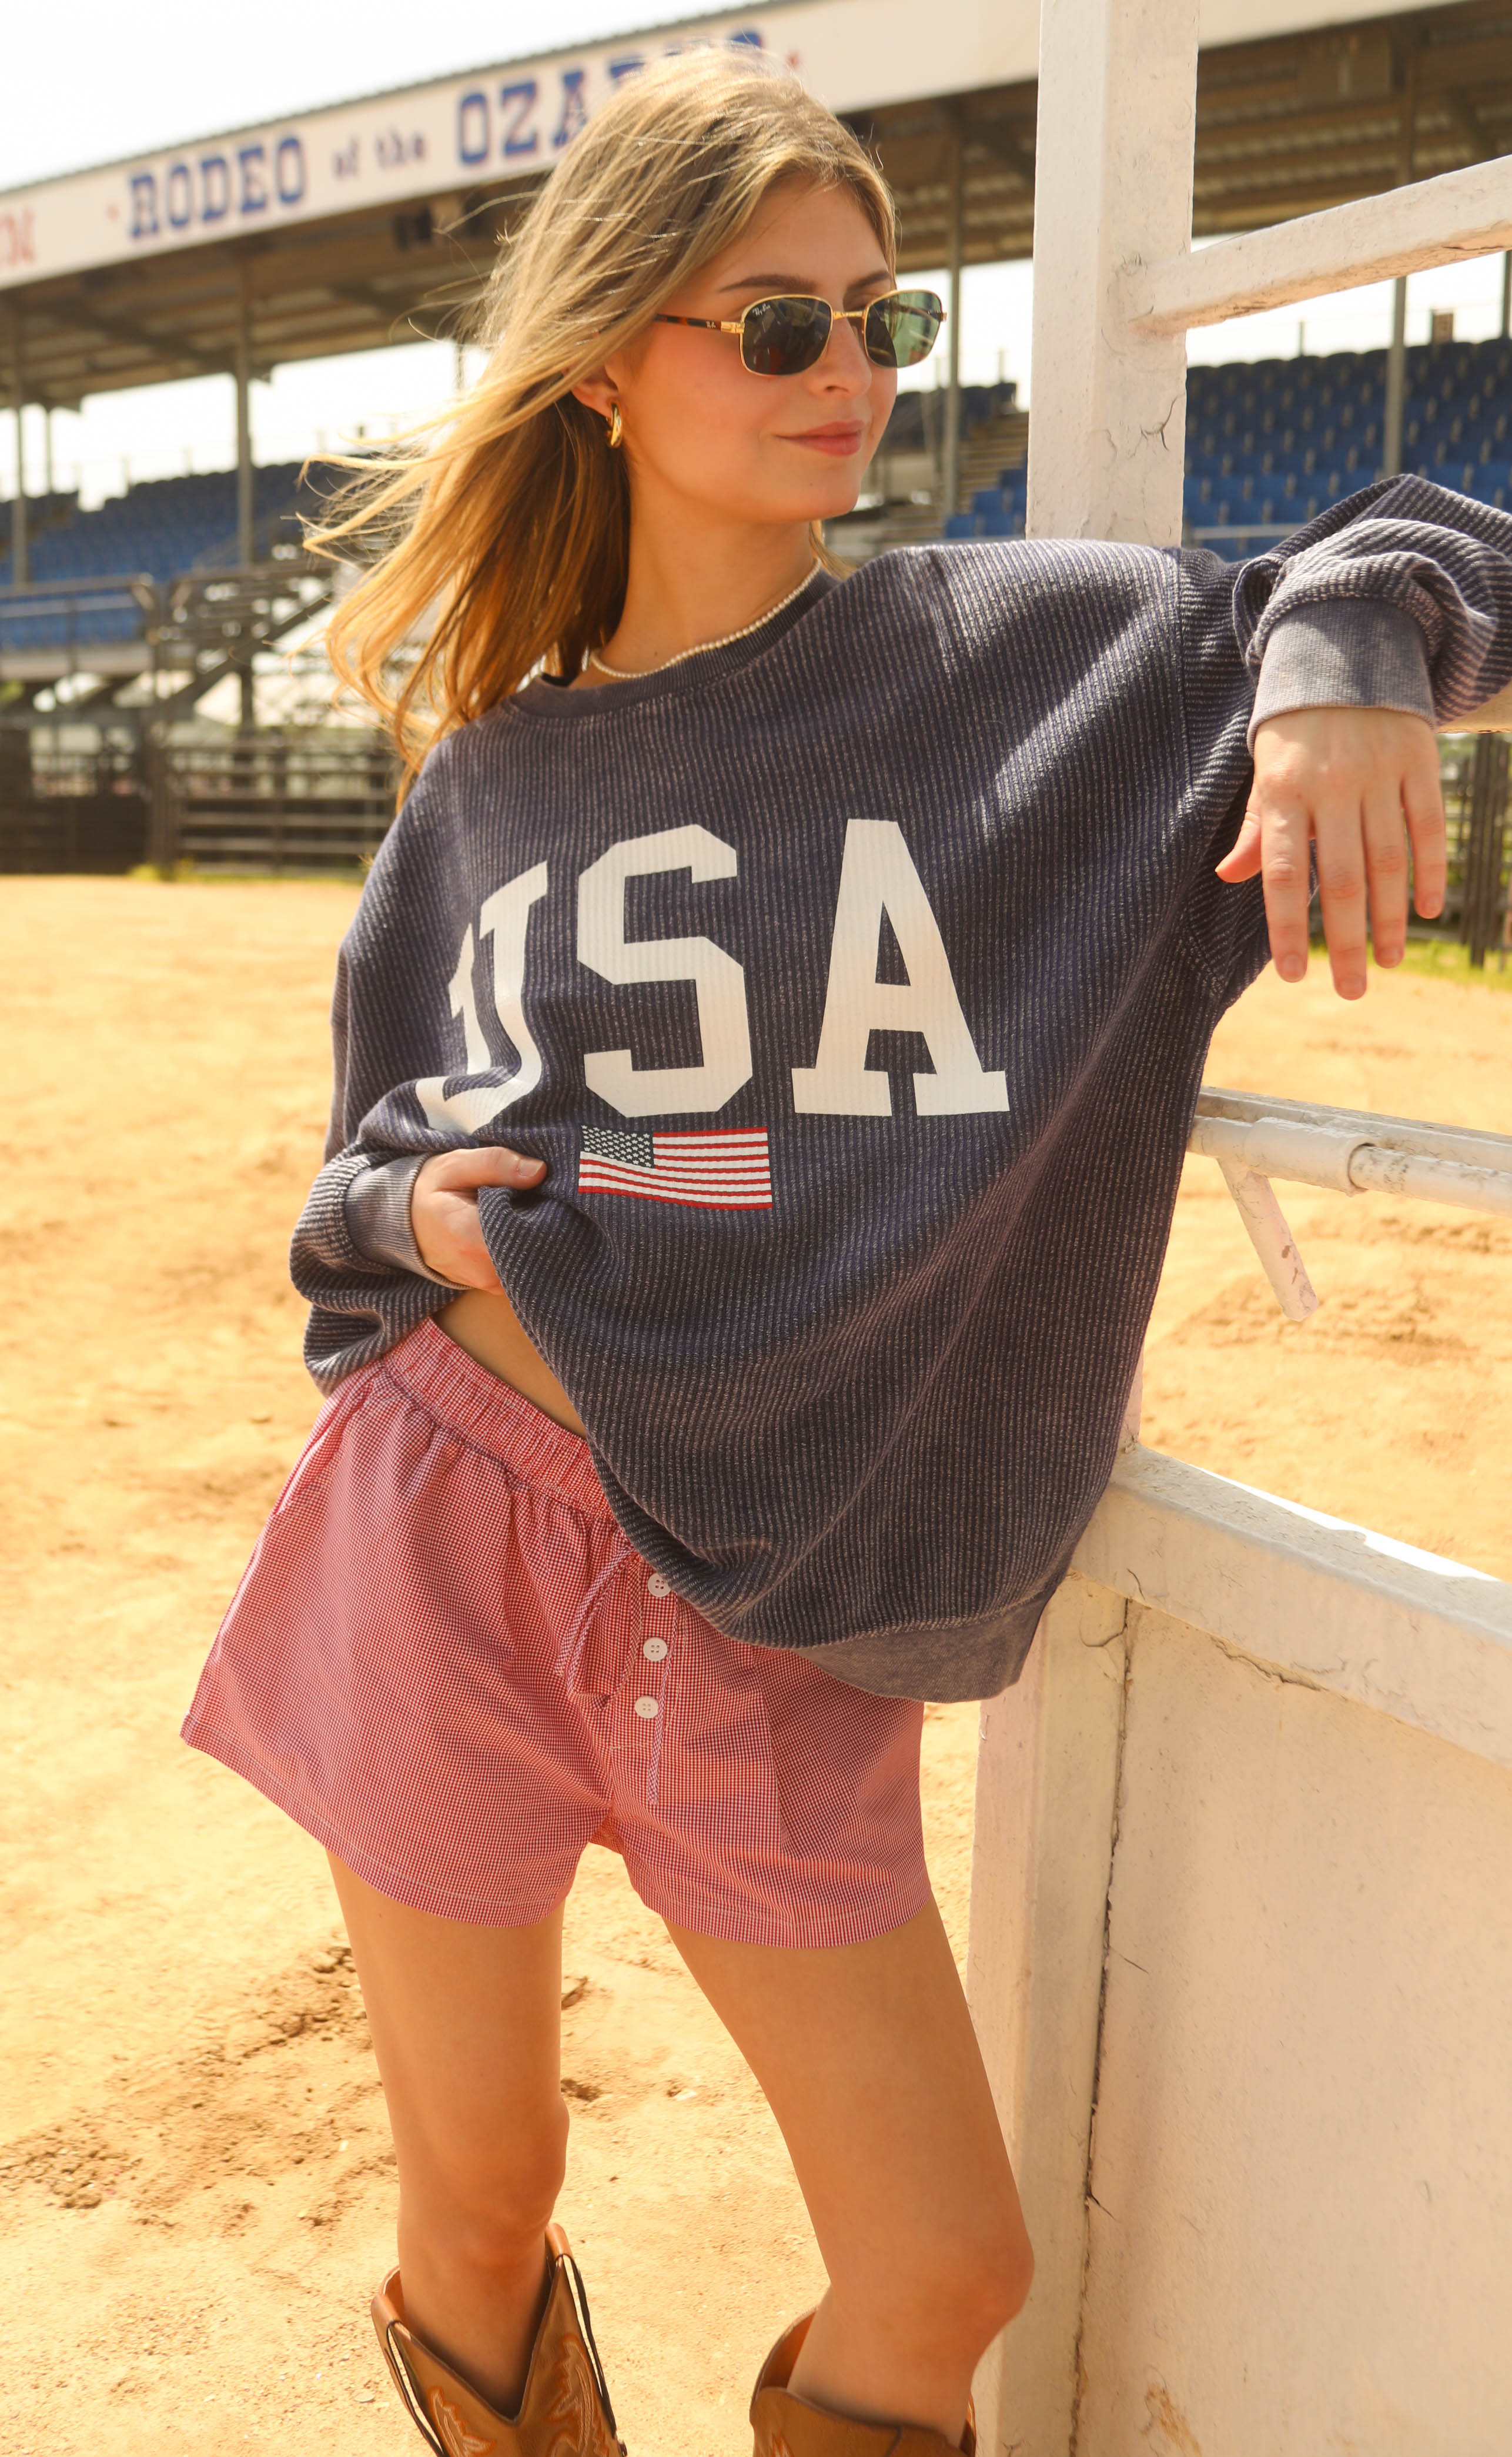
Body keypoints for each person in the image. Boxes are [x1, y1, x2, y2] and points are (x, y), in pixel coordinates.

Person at [182, 45, 1508, 2457]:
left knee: (944, 2260)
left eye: (880, 319)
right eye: (776, 323)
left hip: (776, 1600)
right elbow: (362, 1174)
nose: (852, 374)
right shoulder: (488, 782)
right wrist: (400, 1213)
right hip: (445, 1522)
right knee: (476, 2203)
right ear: (609, 365)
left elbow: (1423, 550)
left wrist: (1334, 674)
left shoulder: (1030, 660)